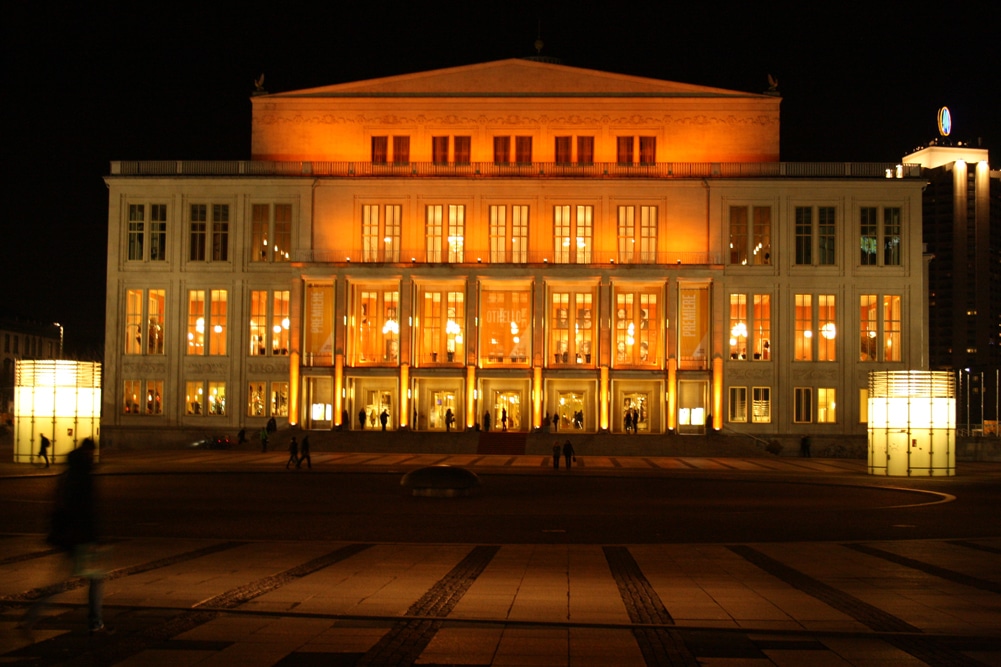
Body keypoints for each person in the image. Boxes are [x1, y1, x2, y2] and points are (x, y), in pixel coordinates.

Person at [24, 438, 109, 635]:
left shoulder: (69, 473)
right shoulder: (84, 477)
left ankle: (31, 615)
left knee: (60, 581)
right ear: (90, 452)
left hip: (68, 536)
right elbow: (87, 511)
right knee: (96, 579)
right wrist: (95, 539)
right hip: (82, 538)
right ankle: (95, 622)